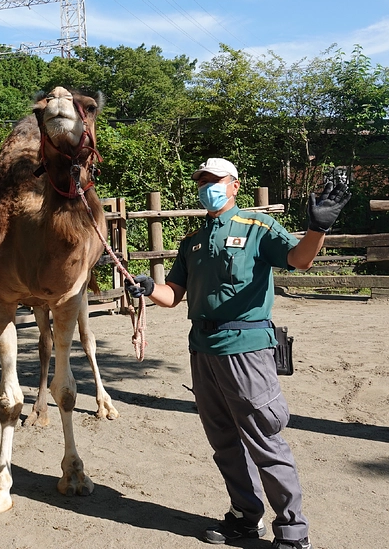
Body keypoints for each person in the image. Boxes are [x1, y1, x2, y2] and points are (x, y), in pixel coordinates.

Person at [125, 157, 350, 549]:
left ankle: (294, 533)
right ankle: (246, 518)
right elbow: (173, 295)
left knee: (264, 439)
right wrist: (148, 287)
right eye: (203, 181)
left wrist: (318, 228)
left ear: (235, 186)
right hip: (203, 350)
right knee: (224, 441)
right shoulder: (192, 241)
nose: (207, 187)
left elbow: (300, 259)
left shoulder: (257, 227)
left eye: (215, 180)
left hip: (246, 351)